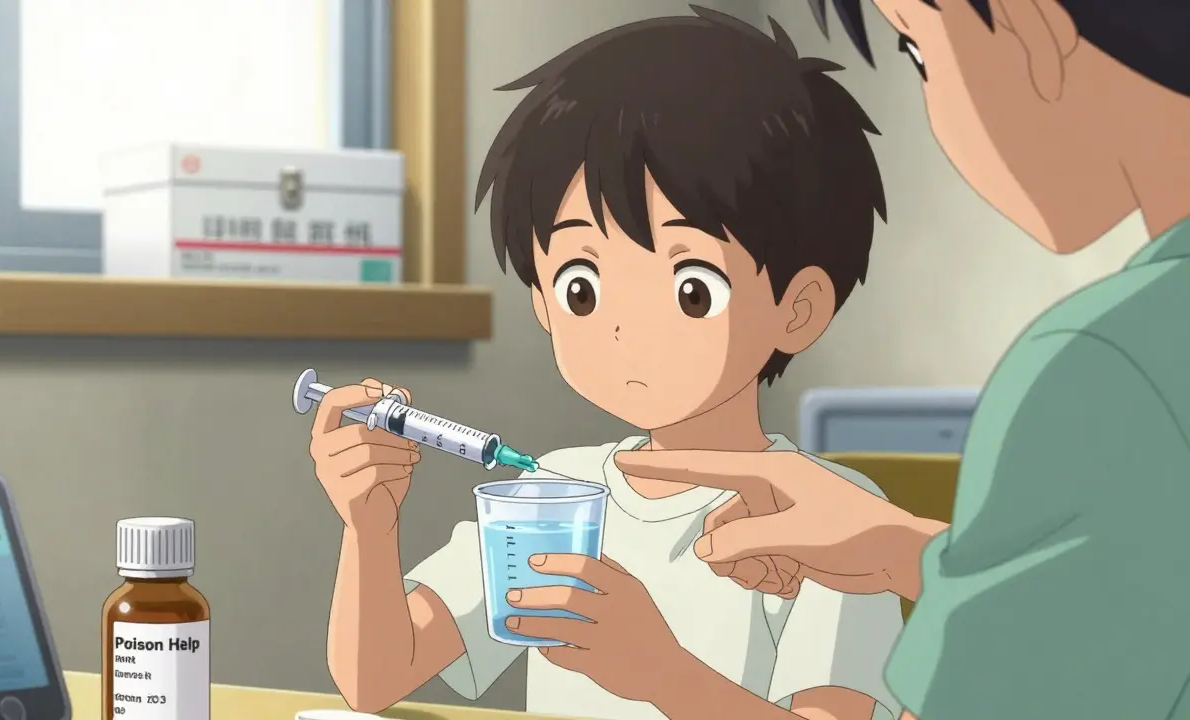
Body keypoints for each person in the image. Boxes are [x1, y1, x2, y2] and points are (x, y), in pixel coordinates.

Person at [308, 7, 907, 720]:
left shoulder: (834, 522)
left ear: (798, 307)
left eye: (692, 288)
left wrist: (661, 674)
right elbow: (376, 677)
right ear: (542, 300)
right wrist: (370, 527)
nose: (626, 327)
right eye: (582, 287)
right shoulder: (553, 494)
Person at [614, 1, 1190, 718]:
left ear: (1031, 26)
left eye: (919, 50)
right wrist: (905, 551)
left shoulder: (1106, 368)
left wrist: (664, 676)